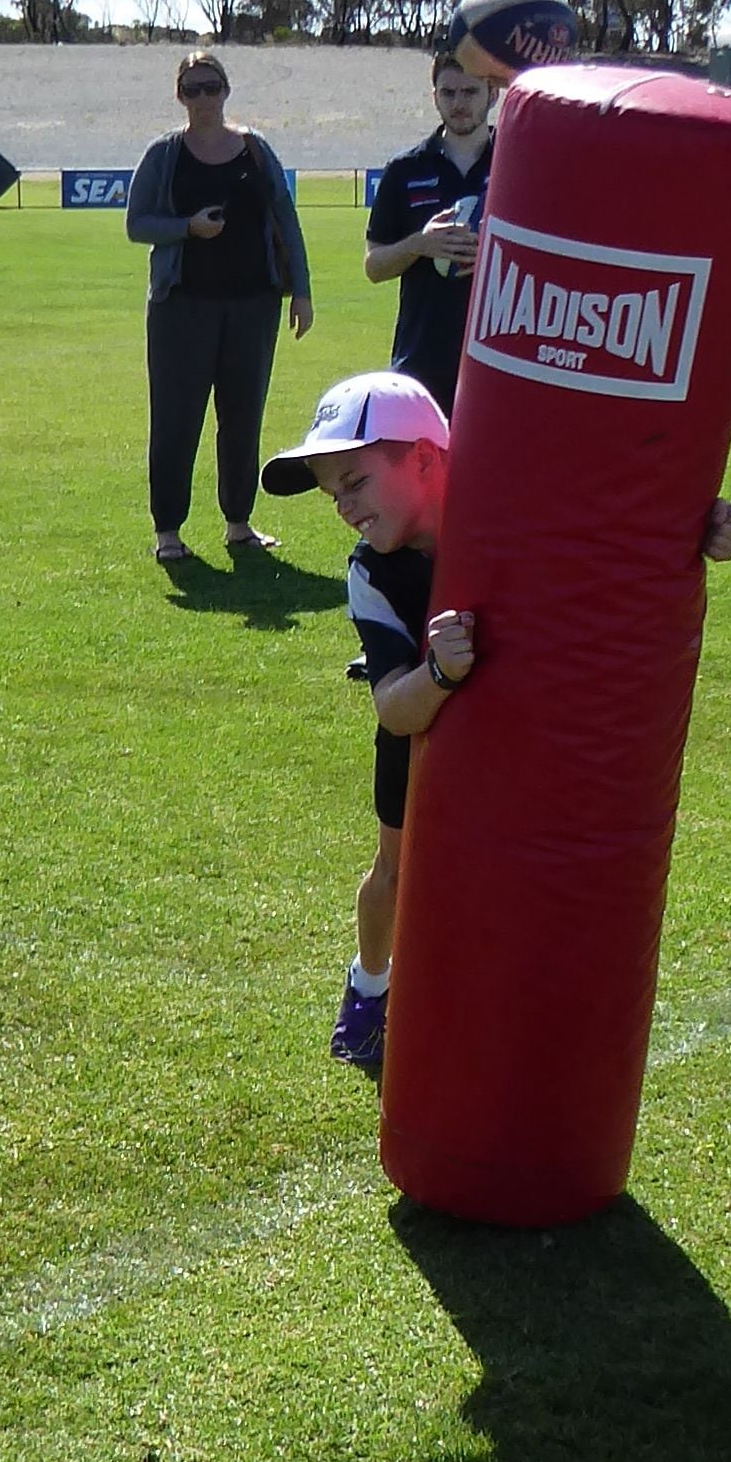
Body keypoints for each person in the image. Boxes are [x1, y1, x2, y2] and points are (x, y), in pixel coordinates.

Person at [256, 371, 471, 1076]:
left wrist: (703, 521)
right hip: (418, 726)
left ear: (425, 457)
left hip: (510, 739)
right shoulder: (371, 572)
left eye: (356, 481)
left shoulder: (498, 516)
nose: (345, 507)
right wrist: (440, 672)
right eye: (334, 494)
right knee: (396, 869)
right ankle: (370, 984)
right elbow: (392, 706)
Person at [126, 49, 313, 566]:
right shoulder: (165, 154)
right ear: (179, 96)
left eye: (211, 87)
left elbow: (285, 218)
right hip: (180, 308)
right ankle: (168, 532)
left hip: (252, 306)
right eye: (193, 89)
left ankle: (239, 524)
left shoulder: (255, 149)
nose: (203, 98)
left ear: (226, 91)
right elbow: (137, 224)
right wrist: (187, 227)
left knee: (243, 417)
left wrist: (301, 289)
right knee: (176, 420)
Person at [361, 49, 495, 408]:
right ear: (434, 96)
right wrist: (420, 245)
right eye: (448, 93)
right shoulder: (405, 170)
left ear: (492, 94)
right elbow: (374, 267)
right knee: (425, 464)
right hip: (422, 359)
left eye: (470, 92)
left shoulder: (518, 166)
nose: (459, 103)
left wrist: (496, 253)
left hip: (497, 358)